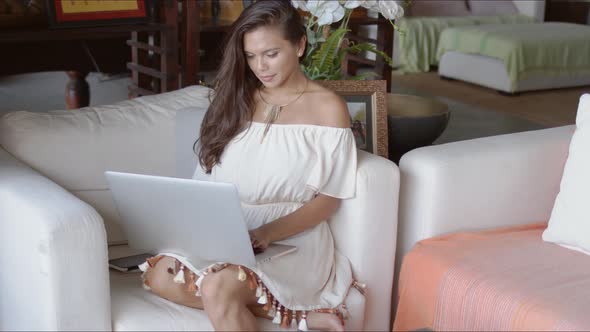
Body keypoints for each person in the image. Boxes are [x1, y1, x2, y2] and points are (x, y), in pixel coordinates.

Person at [141, 1, 360, 331]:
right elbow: (207, 175)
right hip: (228, 230)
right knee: (158, 275)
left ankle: (284, 302)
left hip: (290, 239)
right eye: (251, 55)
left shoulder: (328, 108)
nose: (261, 66)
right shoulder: (237, 96)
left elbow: (329, 200)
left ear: (299, 45)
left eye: (271, 53)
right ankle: (299, 315)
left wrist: (265, 234)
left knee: (217, 287)